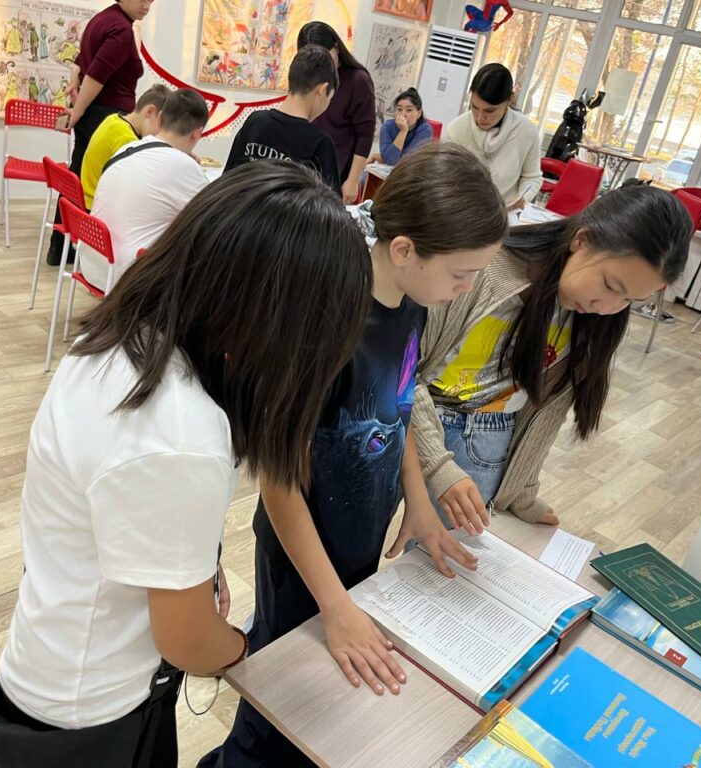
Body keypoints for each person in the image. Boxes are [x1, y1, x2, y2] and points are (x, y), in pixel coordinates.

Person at [0, 161, 374, 768]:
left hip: (52, 656)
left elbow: (129, 515)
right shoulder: (181, 435)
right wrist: (242, 652)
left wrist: (192, 565)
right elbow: (188, 640)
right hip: (99, 714)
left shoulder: (124, 341)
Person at [200, 143, 509, 768]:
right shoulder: (326, 325)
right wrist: (335, 604)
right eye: (462, 273)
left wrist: (418, 502)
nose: (468, 289)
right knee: (279, 704)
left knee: (326, 702)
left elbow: (397, 406)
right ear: (405, 250)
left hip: (360, 535)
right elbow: (278, 482)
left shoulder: (414, 303)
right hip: (300, 554)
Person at [411, 186, 693, 534]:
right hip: (407, 416)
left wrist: (522, 491)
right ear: (582, 240)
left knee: (443, 555)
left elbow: (544, 411)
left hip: (485, 431)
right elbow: (403, 372)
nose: (608, 307)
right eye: (610, 285)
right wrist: (437, 466)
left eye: (628, 300)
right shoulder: (482, 267)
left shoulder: (589, 321)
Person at [46, 0, 155, 266]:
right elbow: (96, 75)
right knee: (107, 187)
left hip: (93, 115)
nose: (148, 4)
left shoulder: (103, 19)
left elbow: (81, 62)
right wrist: (77, 111)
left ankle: (60, 247)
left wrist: (75, 85)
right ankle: (94, 253)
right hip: (107, 119)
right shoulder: (121, 29)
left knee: (76, 179)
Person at [84, 89, 210, 291]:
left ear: (159, 118)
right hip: (128, 279)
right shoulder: (186, 168)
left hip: (92, 263)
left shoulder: (126, 149)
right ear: (197, 133)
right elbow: (212, 223)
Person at [224, 45, 340, 192]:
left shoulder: (255, 122)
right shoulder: (320, 143)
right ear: (322, 90)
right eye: (330, 98)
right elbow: (331, 203)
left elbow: (227, 180)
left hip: (243, 206)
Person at [297, 21, 376, 204]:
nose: (320, 65)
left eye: (325, 56)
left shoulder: (358, 80)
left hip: (337, 169)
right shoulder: (312, 75)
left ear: (337, 48)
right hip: (307, 164)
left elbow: (365, 134)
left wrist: (353, 180)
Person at [444, 63, 542, 209]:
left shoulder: (527, 131)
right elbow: (442, 175)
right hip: (460, 212)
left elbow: (532, 177)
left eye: (490, 111)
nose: (480, 117)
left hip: (504, 213)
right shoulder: (456, 130)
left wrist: (522, 198)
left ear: (509, 100)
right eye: (475, 107)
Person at [81, 84, 169, 208]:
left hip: (86, 198)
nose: (161, 134)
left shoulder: (113, 119)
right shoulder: (128, 141)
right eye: (162, 125)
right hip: (97, 206)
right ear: (150, 111)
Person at [374, 87, 434, 165]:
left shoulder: (425, 130)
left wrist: (403, 131)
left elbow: (409, 161)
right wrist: (403, 131)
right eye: (399, 109)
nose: (403, 114)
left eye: (409, 110)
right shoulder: (387, 126)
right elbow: (389, 160)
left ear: (419, 113)